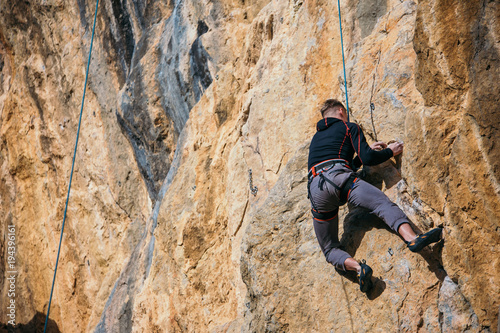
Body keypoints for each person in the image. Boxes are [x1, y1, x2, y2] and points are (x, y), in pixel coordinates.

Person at [307, 99, 442, 292]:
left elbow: (344, 161)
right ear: (341, 111)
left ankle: (358, 267)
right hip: (341, 178)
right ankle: (412, 238)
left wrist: (363, 154)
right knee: (382, 205)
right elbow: (367, 158)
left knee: (329, 249)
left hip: (317, 189)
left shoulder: (315, 140)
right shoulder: (348, 127)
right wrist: (389, 151)